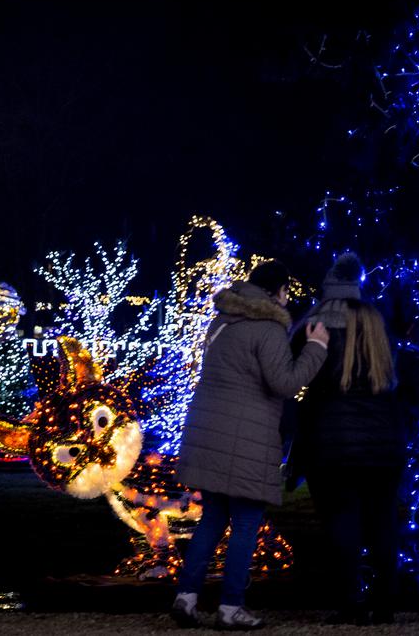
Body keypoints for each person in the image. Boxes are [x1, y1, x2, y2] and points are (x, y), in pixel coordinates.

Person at [172, 259, 330, 630]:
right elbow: (286, 383)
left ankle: (187, 596)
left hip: (209, 434)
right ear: (278, 292)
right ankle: (230, 607)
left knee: (212, 520)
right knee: (245, 523)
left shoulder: (222, 323)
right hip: (247, 440)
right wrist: (316, 348)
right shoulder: (268, 329)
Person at [291, 253, 404, 626]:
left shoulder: (315, 321)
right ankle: (386, 602)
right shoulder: (374, 320)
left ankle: (350, 601)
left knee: (342, 522)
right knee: (383, 523)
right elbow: (394, 377)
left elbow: (295, 376)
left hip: (332, 440)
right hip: (382, 438)